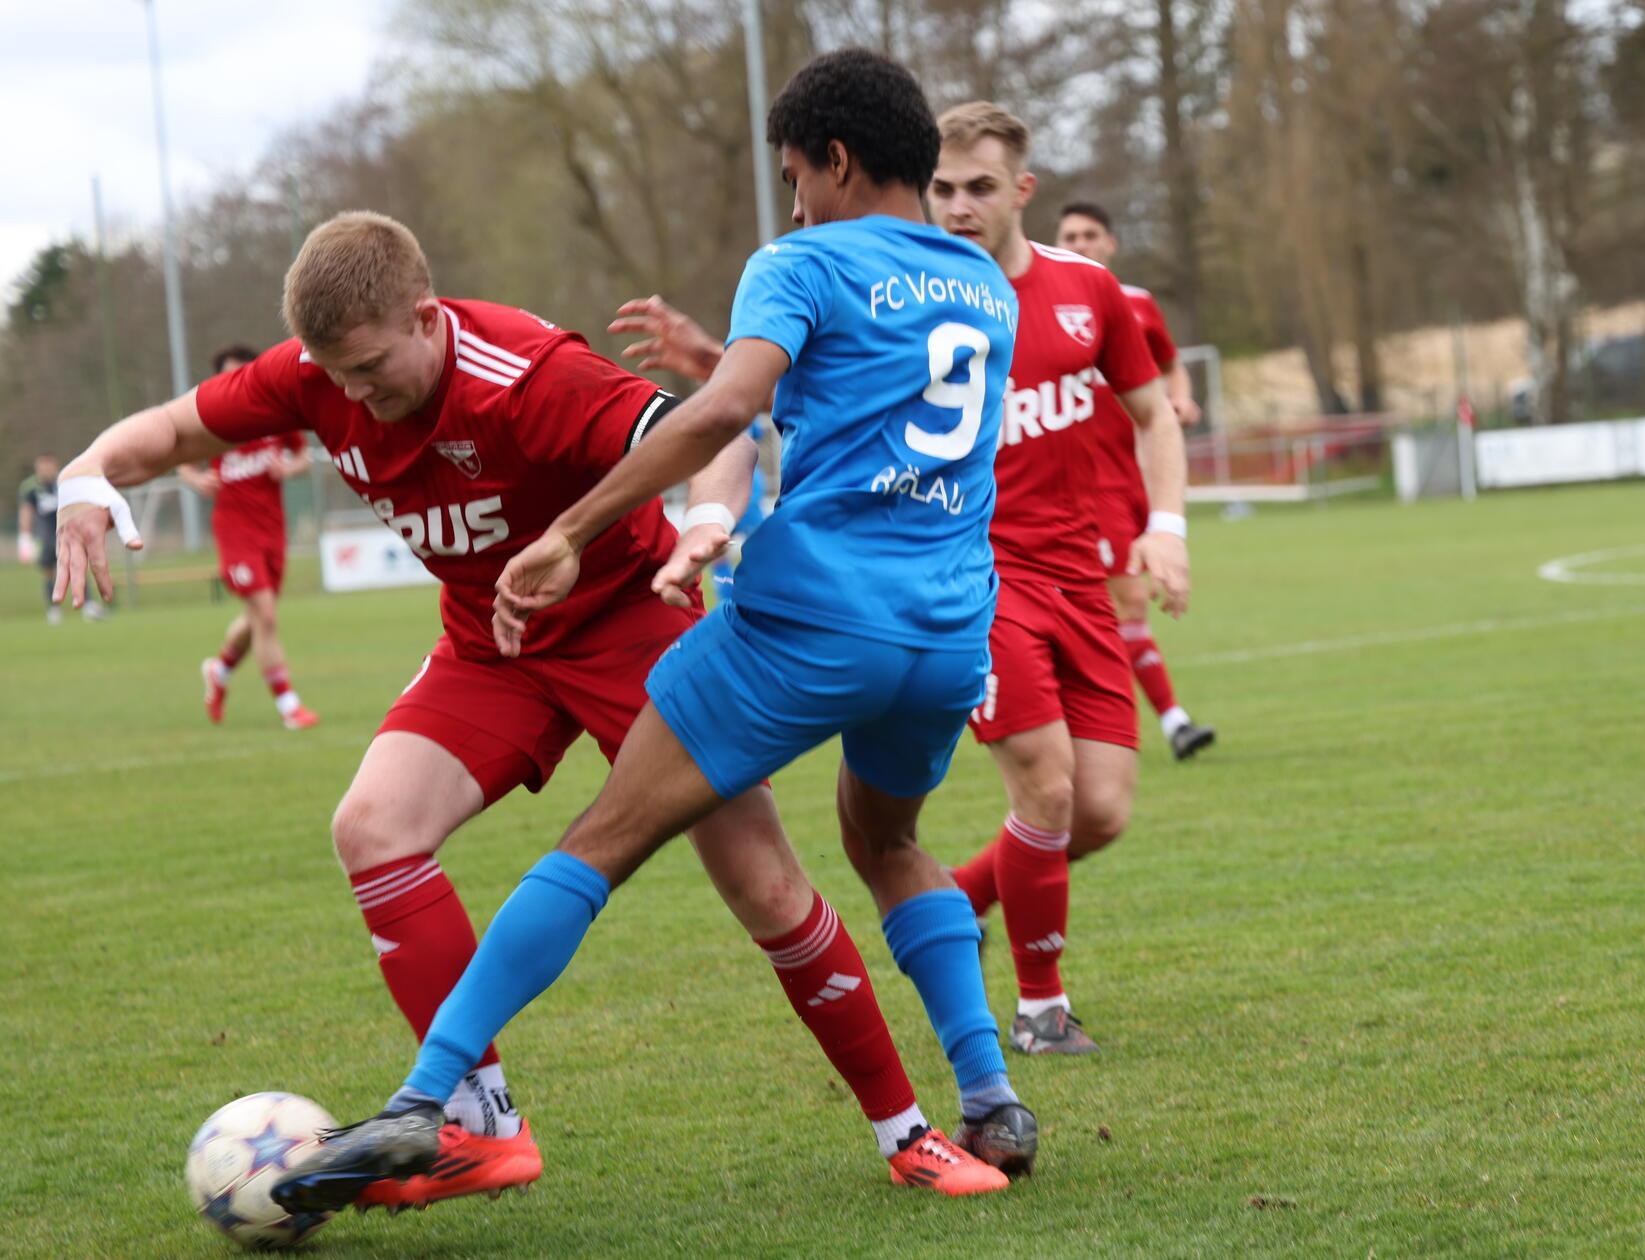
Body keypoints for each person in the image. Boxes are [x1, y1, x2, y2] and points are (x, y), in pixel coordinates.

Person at [53, 209, 993, 1205]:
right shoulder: (315, 372)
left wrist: (707, 521)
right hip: (489, 645)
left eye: (369, 368)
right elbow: (166, 430)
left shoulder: (533, 376)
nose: (350, 396)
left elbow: (710, 431)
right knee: (371, 828)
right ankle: (479, 1126)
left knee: (762, 883)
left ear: (425, 317)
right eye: (332, 375)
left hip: (632, 632)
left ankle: (907, 1132)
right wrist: (84, 478)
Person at [270, 49, 1035, 1215]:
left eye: (794, 173)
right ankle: (990, 1098)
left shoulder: (796, 260)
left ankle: (425, 1102)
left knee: (601, 839)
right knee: (885, 843)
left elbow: (726, 410)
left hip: (812, 619)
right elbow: (852, 398)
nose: (789, 202)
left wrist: (572, 530)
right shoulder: (987, 287)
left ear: (835, 160)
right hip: (945, 630)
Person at [928, 103, 1192, 1056]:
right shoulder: (912, 303)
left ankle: (948, 901)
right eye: (944, 189)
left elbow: (1156, 416)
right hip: (977, 586)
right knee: (1045, 791)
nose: (959, 206)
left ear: (1021, 191)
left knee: (1102, 811)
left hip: (1081, 579)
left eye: (980, 188)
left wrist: (1166, 528)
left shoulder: (1090, 292)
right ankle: (1041, 1011)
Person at [1055, 200, 1216, 759]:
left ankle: (1098, 723)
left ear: (1110, 243)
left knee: (1118, 609)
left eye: (1090, 234)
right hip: (1086, 485)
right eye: (1069, 235)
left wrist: (1181, 397)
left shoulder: (1138, 305)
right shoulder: (1042, 302)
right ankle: (1171, 721)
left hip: (1138, 478)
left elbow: (1170, 364)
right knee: (1125, 603)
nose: (1080, 243)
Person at [183, 344, 319, 729]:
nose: (237, 381)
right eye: (229, 374)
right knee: (266, 614)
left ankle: (219, 671)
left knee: (258, 616)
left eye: (244, 372)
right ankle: (289, 706)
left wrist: (288, 469)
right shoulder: (210, 422)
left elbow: (304, 456)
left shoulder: (275, 416)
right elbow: (178, 458)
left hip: (272, 530)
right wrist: (196, 478)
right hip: (234, 532)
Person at [18, 455, 103, 624]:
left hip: (69, 534)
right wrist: (25, 538)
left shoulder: (65, 483)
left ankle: (88, 605)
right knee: (49, 573)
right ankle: (54, 609)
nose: (45, 470)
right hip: (46, 537)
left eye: (48, 466)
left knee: (78, 567)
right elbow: (26, 512)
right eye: (41, 467)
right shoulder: (31, 488)